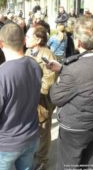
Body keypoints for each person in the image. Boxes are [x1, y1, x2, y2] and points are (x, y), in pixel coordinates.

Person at [47, 17, 93, 170]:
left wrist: (59, 77)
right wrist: (63, 69)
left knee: (69, 165)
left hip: (75, 128)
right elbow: (87, 78)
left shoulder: (74, 70)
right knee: (89, 161)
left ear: (78, 42)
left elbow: (56, 97)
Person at [0, 23, 42, 170]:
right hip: (30, 137)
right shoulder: (34, 65)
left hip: (5, 144)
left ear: (0, 43)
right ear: (24, 41)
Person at [25, 26, 56, 170]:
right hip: (29, 100)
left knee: (43, 131)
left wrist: (33, 94)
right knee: (31, 129)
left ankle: (42, 160)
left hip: (42, 100)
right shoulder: (27, 52)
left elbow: (49, 80)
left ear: (38, 39)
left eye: (28, 36)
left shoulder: (47, 55)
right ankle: (31, 154)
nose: (25, 38)